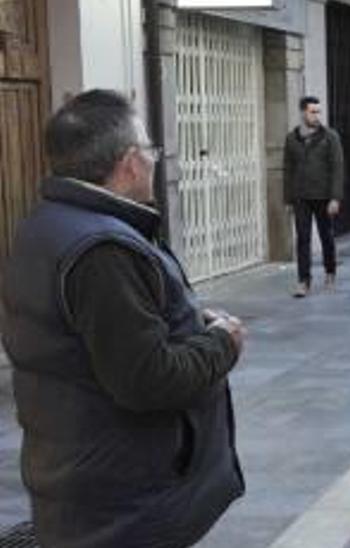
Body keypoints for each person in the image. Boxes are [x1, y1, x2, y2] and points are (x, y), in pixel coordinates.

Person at [0, 89, 247, 547]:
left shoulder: (46, 224)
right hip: (123, 503)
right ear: (131, 162)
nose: (154, 159)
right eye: (150, 149)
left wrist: (187, 320)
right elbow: (146, 379)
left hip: (82, 482)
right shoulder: (102, 249)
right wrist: (222, 343)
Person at [283, 96, 345, 298]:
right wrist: (288, 199)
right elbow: (288, 170)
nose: (316, 115)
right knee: (303, 238)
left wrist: (335, 197)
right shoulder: (292, 138)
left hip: (323, 196)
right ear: (303, 113)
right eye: (312, 111)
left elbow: (337, 168)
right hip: (301, 196)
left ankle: (330, 271)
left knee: (326, 235)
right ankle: (303, 281)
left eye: (318, 111)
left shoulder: (330, 136)